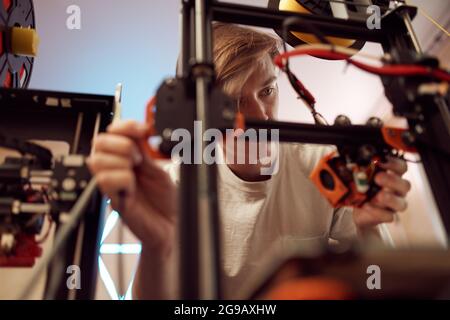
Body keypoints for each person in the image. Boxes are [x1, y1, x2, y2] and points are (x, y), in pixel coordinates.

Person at [87, 23, 411, 299]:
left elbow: (378, 281)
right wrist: (156, 245)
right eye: (236, 102)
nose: (260, 115)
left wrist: (369, 228)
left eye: (267, 91)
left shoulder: (324, 164)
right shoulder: (178, 185)